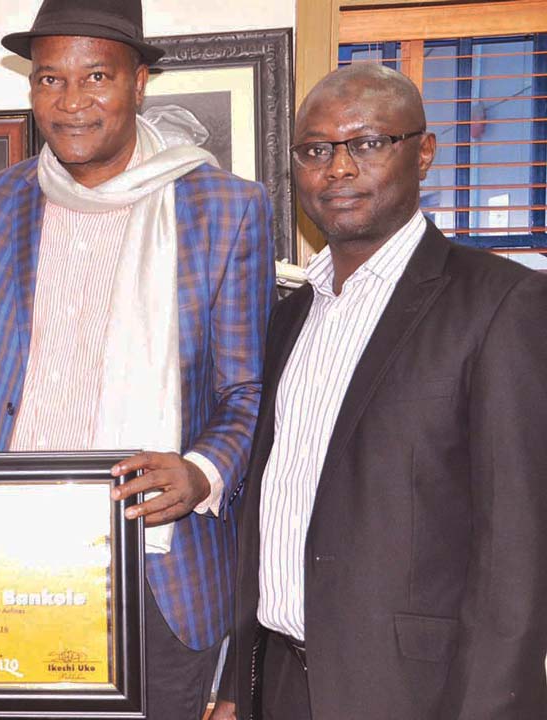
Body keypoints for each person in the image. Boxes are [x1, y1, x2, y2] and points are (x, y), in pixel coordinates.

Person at [0, 1, 273, 718]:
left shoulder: (227, 209)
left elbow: (247, 390)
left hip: (159, 569)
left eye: (96, 77)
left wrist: (201, 472)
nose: (71, 101)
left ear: (139, 82)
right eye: (50, 79)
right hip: (18, 559)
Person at [222, 63, 547, 719]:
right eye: (316, 150)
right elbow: (273, 508)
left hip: (411, 695)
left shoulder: (500, 304)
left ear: (423, 153)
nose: (338, 168)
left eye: (368, 143)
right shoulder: (290, 316)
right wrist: (238, 687)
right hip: (280, 684)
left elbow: (516, 555)